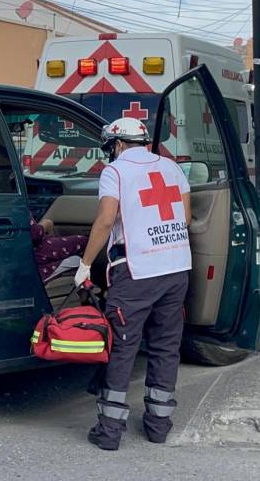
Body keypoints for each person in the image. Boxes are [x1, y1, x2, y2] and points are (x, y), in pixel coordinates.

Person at [74, 117, 191, 450]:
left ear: (118, 145)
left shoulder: (116, 172)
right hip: (176, 267)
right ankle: (158, 425)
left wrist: (84, 265)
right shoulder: (173, 169)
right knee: (166, 345)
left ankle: (109, 431)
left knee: (123, 346)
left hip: (136, 271)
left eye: (110, 148)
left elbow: (106, 220)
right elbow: (184, 219)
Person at [29, 216, 87, 282]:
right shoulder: (18, 210)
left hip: (20, 263)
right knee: (83, 242)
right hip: (34, 259)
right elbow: (35, 234)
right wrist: (46, 224)